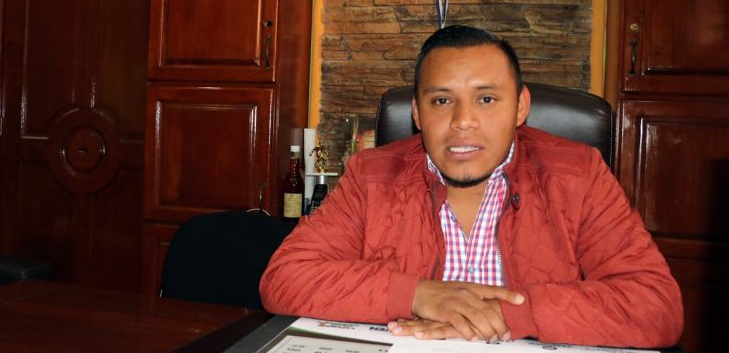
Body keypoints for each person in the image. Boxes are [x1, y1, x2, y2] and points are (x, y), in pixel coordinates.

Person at [260, 25, 683, 348]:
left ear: (520, 106)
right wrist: (417, 295)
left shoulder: (579, 175)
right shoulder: (371, 175)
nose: (463, 121)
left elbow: (655, 306)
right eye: (442, 101)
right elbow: (285, 279)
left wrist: (510, 315)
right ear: (417, 113)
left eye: (486, 99)